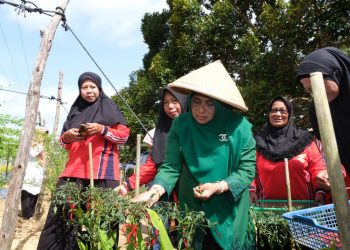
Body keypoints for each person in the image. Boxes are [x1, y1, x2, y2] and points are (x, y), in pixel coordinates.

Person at [133, 61, 256, 250]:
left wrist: (218, 187)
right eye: (196, 101)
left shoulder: (240, 128)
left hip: (229, 208)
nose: (201, 109)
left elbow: (247, 170)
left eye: (209, 103)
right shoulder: (182, 125)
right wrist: (154, 191)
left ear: (221, 104)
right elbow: (171, 166)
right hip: (191, 206)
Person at [37, 72, 130, 250]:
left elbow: (124, 137)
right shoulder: (75, 111)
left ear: (99, 88)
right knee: (60, 219)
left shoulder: (109, 107)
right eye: (84, 87)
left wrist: (102, 129)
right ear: (80, 90)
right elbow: (63, 143)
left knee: (105, 223)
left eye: (92, 87)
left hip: (103, 173)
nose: (89, 91)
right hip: (73, 173)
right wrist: (68, 136)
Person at [250, 96, 327, 205]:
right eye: (274, 110)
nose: (278, 114)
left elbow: (317, 170)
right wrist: (251, 190)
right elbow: (250, 170)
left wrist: (320, 192)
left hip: (303, 210)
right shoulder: (258, 143)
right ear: (268, 114)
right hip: (267, 209)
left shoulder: (304, 140)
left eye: (282, 111)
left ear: (289, 114)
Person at [297, 47, 350, 194]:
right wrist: (332, 172)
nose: (316, 94)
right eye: (309, 90)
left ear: (336, 74)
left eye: (317, 86)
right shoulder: (317, 110)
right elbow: (332, 152)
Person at [117, 86, 187, 194]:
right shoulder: (162, 133)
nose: (170, 106)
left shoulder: (197, 130)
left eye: (174, 101)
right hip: (169, 194)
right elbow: (152, 165)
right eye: (165, 102)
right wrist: (127, 185)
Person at [21, 127, 48, 219]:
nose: (43, 136)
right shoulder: (30, 143)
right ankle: (26, 214)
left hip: (38, 173)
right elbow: (33, 153)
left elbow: (44, 159)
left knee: (35, 192)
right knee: (27, 191)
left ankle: (31, 214)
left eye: (44, 135)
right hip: (30, 171)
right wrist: (40, 146)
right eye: (42, 134)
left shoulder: (42, 145)